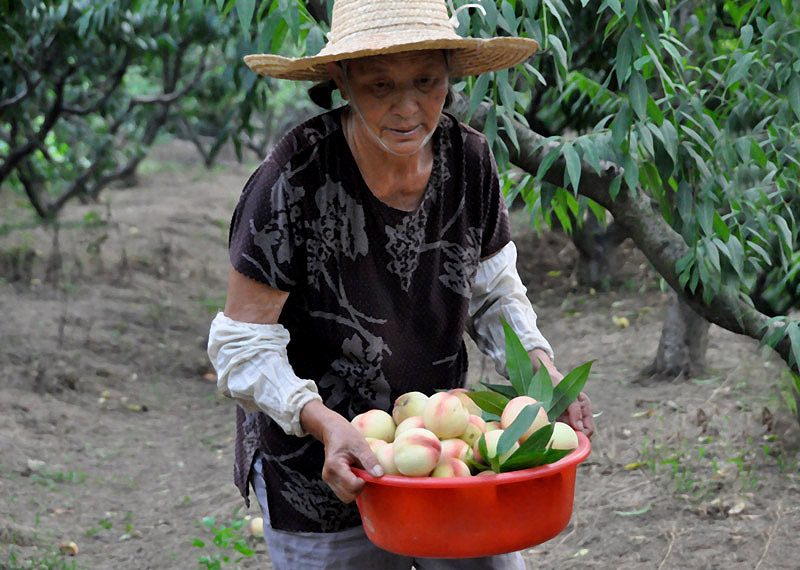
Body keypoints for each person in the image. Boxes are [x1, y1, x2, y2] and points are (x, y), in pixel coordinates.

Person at [207, 1, 595, 568]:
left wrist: (540, 370)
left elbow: (493, 293)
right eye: (380, 84)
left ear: (450, 75)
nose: (408, 107)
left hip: (447, 454)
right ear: (341, 79)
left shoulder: (469, 161)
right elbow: (240, 343)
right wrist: (326, 425)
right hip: (319, 471)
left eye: (426, 82)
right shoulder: (295, 176)